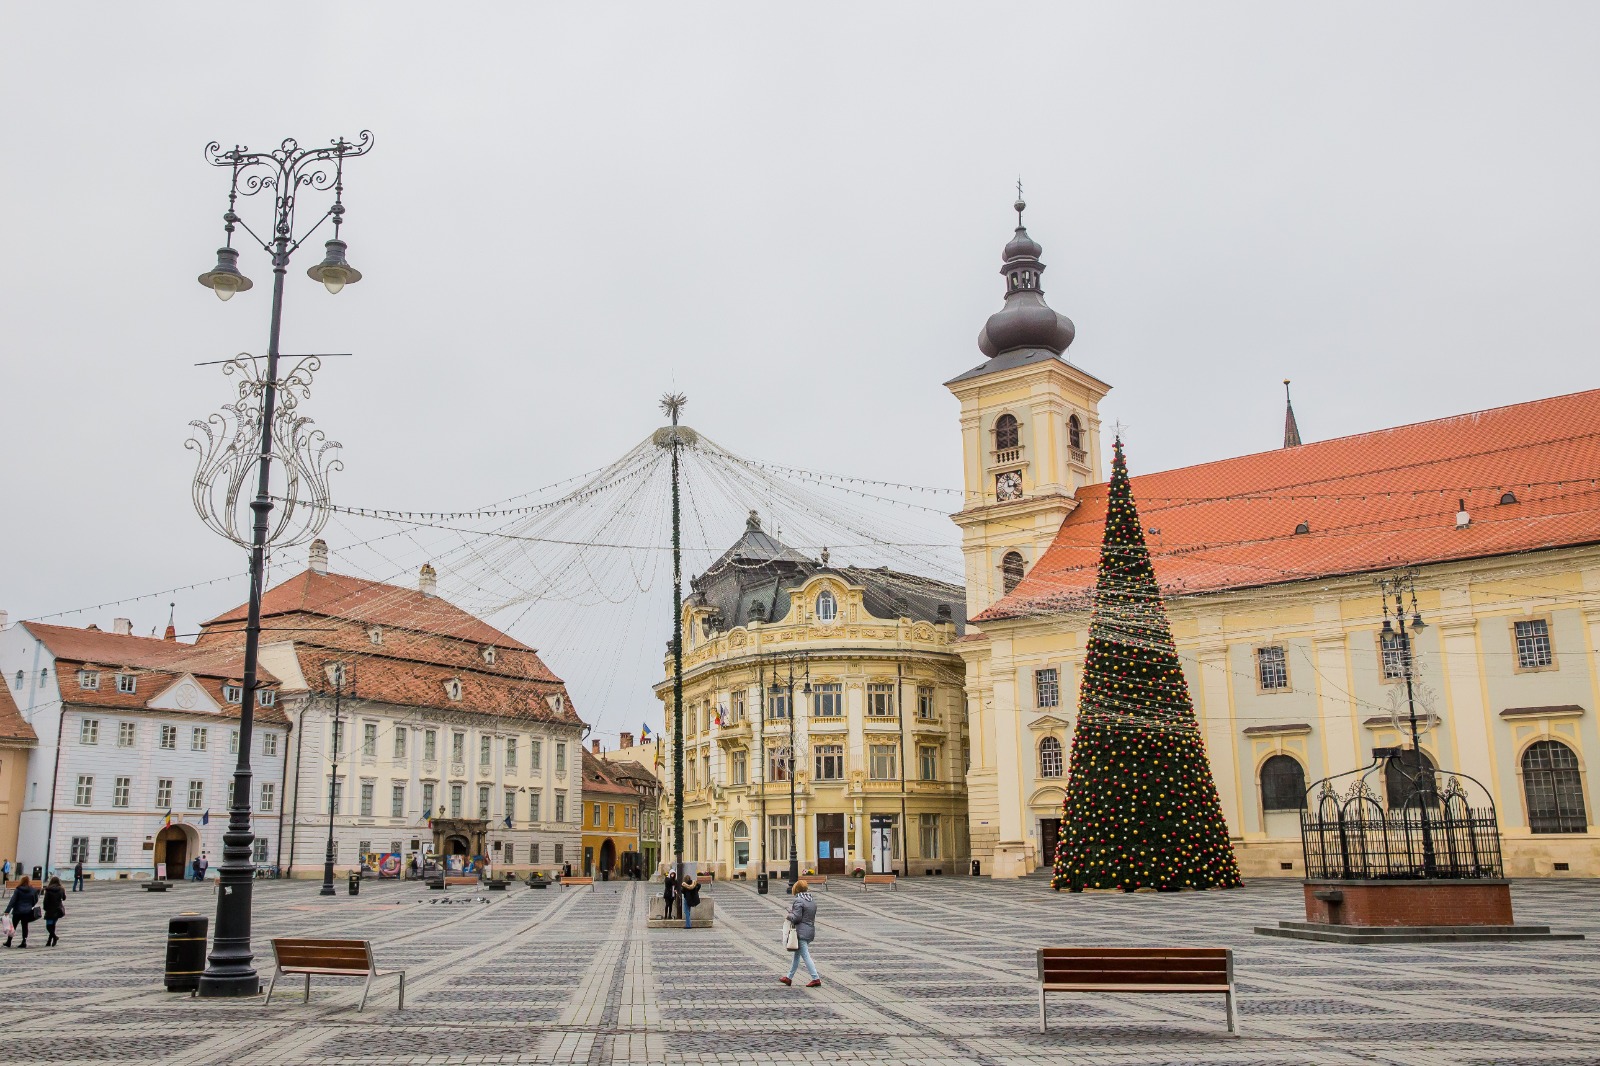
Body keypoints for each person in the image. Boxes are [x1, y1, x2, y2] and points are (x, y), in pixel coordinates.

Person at [779, 878, 821, 987]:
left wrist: (789, 915)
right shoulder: (811, 900)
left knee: (805, 955)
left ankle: (815, 978)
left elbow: (797, 918)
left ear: (796, 889)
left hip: (801, 932)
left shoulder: (799, 901)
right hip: (809, 930)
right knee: (797, 956)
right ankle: (789, 977)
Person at [4, 875, 39, 948]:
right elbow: (36, 899)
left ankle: (9, 941)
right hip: (27, 911)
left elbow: (13, 900)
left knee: (13, 926)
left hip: (17, 911)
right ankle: (24, 941)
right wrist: (31, 905)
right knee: (25, 926)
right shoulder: (33, 890)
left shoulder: (18, 889)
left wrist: (7, 910)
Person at [42, 875, 66, 947]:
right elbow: (64, 898)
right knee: (52, 925)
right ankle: (50, 940)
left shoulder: (48, 890)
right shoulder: (61, 889)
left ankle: (53, 938)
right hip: (58, 909)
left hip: (50, 909)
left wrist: (45, 908)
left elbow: (45, 901)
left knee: (48, 926)